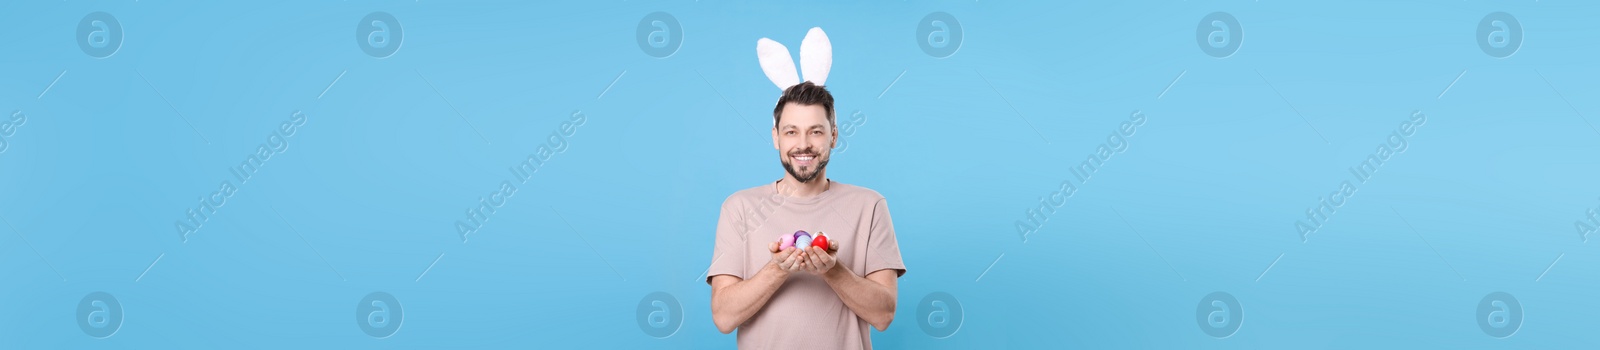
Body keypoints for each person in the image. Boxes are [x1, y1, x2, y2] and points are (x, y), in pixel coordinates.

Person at [706, 81, 906, 349]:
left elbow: (884, 315)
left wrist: (832, 270)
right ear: (776, 137)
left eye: (815, 132)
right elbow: (723, 318)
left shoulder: (869, 206)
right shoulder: (739, 208)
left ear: (833, 136)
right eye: (791, 132)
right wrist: (777, 269)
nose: (803, 145)